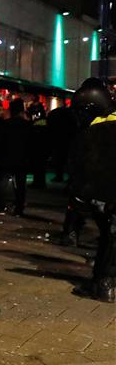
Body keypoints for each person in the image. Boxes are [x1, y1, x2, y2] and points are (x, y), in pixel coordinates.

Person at [68, 78, 116, 302]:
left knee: (109, 238)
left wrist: (81, 196)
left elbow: (87, 168)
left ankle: (104, 283)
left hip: (107, 195)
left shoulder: (96, 131)